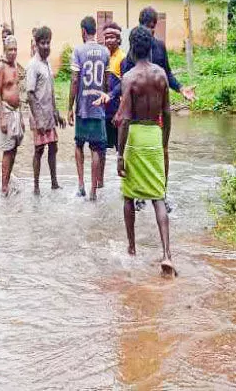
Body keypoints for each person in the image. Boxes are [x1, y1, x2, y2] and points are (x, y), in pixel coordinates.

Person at [116, 26, 176, 277]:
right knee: (158, 196)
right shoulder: (161, 75)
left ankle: (131, 248)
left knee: (129, 196)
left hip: (136, 137)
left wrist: (120, 153)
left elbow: (125, 119)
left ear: (131, 49)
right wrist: (164, 143)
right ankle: (167, 254)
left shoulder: (129, 78)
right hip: (154, 135)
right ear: (151, 47)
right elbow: (167, 113)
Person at [68, 16, 110, 201]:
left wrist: (69, 107)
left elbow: (75, 80)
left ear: (83, 31)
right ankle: (94, 192)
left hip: (83, 106)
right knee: (95, 149)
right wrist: (103, 98)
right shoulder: (105, 52)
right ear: (95, 31)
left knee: (79, 144)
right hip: (98, 106)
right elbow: (107, 82)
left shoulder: (78, 51)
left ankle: (81, 186)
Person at [26, 26, 65, 195]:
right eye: (43, 43)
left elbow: (51, 90)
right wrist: (39, 119)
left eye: (48, 42)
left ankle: (54, 183)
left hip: (49, 114)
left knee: (53, 147)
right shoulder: (33, 65)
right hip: (39, 116)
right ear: (36, 44)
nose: (46, 46)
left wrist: (57, 113)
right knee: (39, 150)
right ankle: (36, 186)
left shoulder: (47, 64)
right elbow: (30, 94)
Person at [0, 35, 24, 196]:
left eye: (15, 49)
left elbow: (17, 88)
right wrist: (2, 117)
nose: (13, 52)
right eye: (10, 49)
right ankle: (4, 186)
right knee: (7, 149)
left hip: (16, 111)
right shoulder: (1, 66)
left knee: (14, 148)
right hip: (6, 110)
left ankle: (8, 179)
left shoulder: (15, 66)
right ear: (5, 50)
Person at [100, 21, 125, 183]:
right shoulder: (102, 56)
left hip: (117, 113)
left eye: (113, 37)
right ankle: (99, 184)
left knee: (121, 151)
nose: (109, 40)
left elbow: (126, 86)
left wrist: (120, 112)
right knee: (100, 149)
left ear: (119, 39)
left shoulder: (123, 58)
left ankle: (126, 185)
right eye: (107, 37)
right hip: (103, 112)